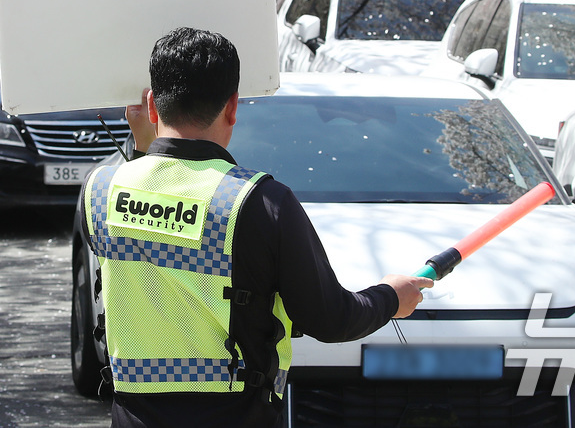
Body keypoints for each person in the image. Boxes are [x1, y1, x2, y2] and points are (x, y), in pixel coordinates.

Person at [83, 27, 432, 428]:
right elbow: (329, 318)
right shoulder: (260, 203)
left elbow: (155, 222)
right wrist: (392, 297)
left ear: (151, 104)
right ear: (232, 107)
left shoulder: (101, 190)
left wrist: (144, 148)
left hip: (132, 416)